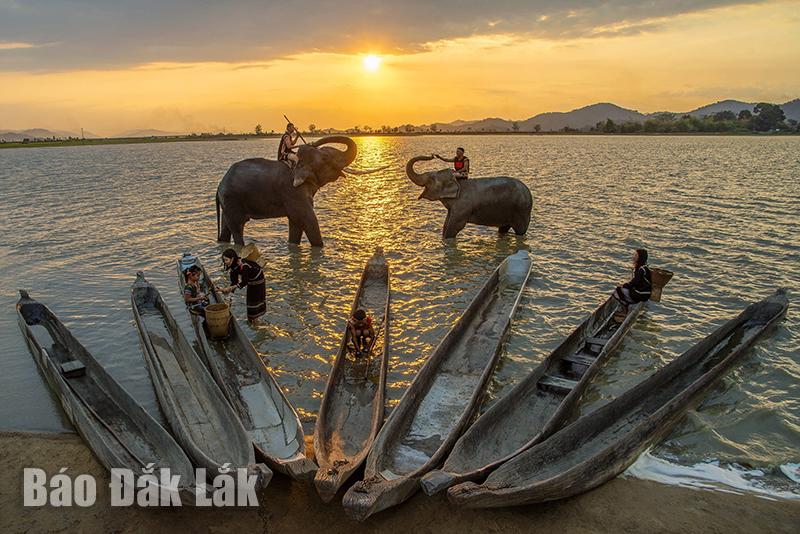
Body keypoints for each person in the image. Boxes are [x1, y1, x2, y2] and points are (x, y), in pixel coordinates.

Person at [218, 248, 266, 321]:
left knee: (253, 301)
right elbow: (234, 282)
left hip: (258, 279)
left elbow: (244, 282)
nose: (225, 262)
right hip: (250, 280)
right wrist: (228, 294)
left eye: (226, 260)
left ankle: (255, 321)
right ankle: (253, 320)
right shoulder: (233, 267)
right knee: (250, 302)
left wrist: (230, 288)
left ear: (232, 259)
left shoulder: (244, 266)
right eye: (224, 260)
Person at [612, 249, 652, 316]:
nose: (634, 257)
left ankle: (625, 310)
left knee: (618, 290)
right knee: (624, 289)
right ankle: (627, 306)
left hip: (641, 294)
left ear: (640, 257)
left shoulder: (641, 269)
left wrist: (624, 285)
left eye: (636, 255)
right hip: (645, 294)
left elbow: (635, 282)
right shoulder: (645, 268)